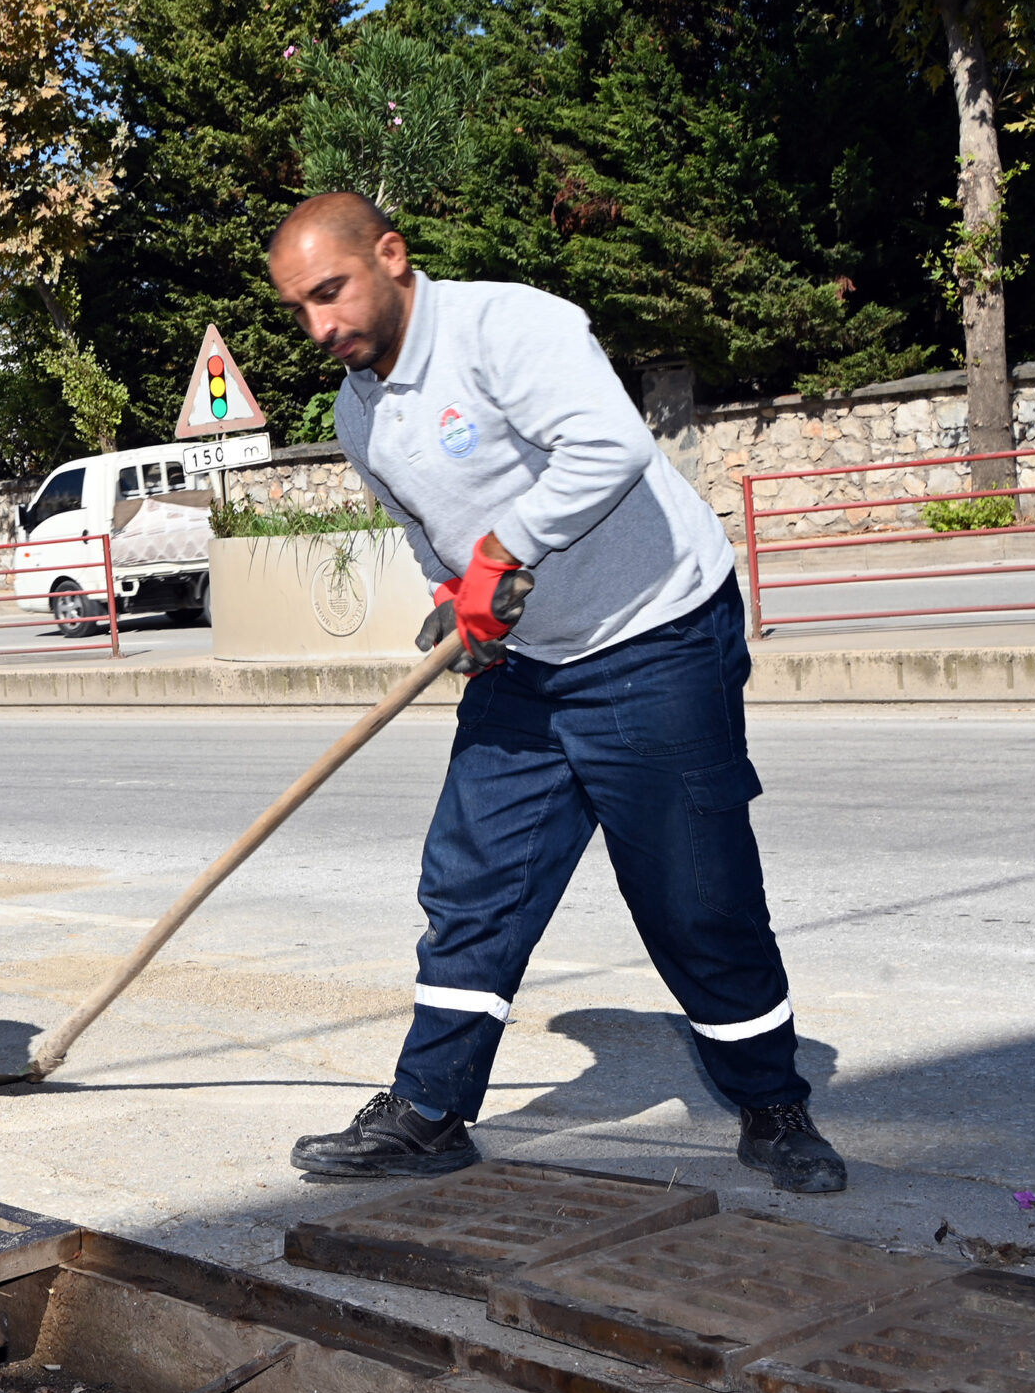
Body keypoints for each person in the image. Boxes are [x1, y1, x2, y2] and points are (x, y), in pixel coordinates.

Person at [264, 192, 844, 1194]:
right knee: (471, 886)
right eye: (299, 310)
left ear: (391, 256)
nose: (321, 326)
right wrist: (459, 602)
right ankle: (430, 1110)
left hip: (655, 635)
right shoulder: (360, 413)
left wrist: (500, 551)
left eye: (331, 292)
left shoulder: (508, 326)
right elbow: (429, 531)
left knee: (694, 897)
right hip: (528, 668)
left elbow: (609, 449)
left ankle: (772, 1103)